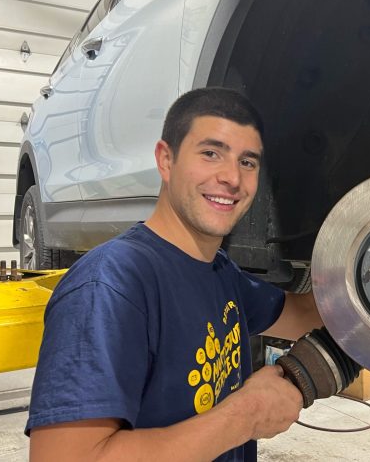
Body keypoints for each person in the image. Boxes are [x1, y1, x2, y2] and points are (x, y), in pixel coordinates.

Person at [26, 87, 324, 461]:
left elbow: (306, 315)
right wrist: (244, 416)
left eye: (248, 162)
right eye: (211, 153)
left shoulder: (220, 273)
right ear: (166, 160)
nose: (232, 177)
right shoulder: (111, 285)